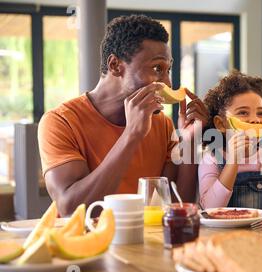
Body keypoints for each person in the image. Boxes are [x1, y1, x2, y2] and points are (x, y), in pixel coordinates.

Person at [38, 15, 208, 216]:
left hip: (142, 243)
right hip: (88, 244)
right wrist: (131, 135)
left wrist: (189, 142)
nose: (168, 84)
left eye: (167, 70)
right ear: (115, 65)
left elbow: (177, 204)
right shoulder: (60, 122)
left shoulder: (161, 124)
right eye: (157, 68)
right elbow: (71, 208)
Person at [198, 71, 262, 210]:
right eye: (243, 112)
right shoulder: (212, 159)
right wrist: (232, 162)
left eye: (261, 113)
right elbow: (210, 208)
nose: (255, 119)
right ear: (220, 124)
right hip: (224, 232)